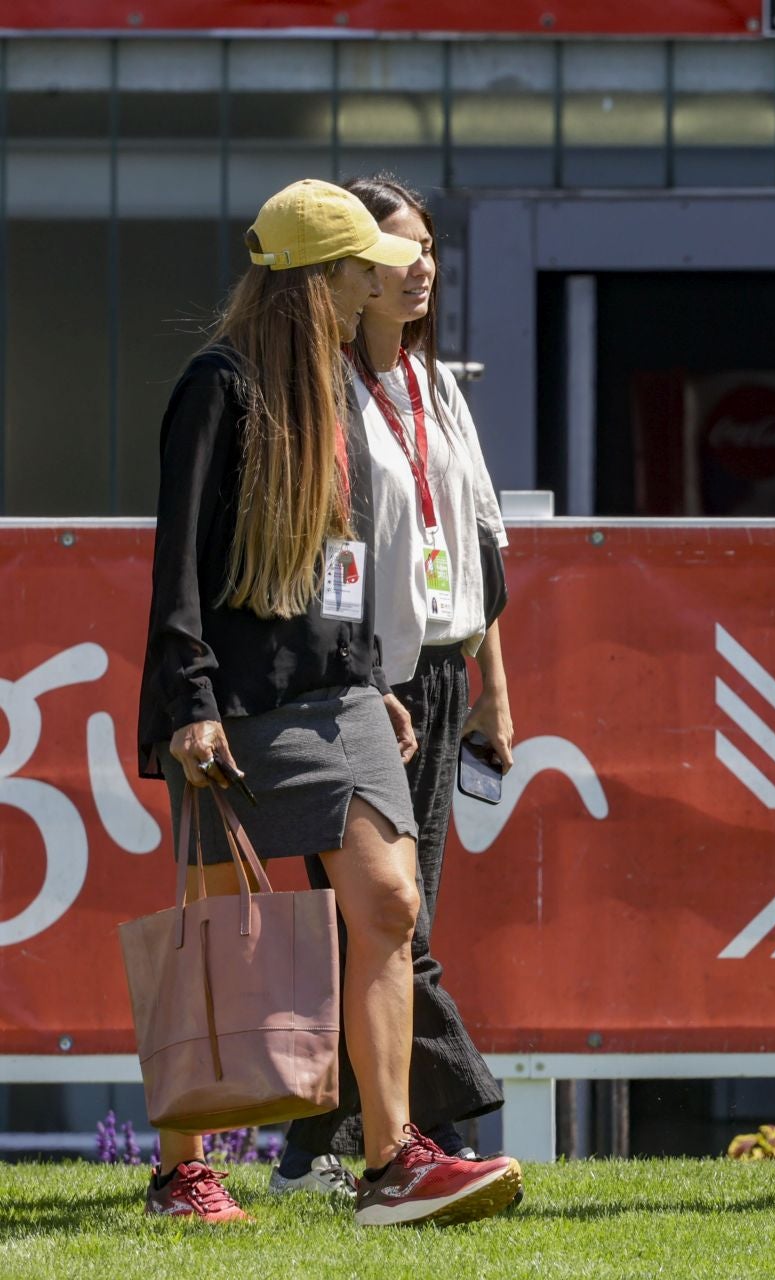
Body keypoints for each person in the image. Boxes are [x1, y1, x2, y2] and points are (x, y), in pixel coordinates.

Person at [135, 178, 522, 1227]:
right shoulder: (217, 384)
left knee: (391, 902)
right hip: (235, 702)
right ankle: (180, 1169)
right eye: (360, 267)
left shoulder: (334, 384)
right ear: (316, 278)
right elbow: (177, 566)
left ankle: (391, 1158)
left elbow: (339, 559)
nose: (381, 281)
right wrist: (191, 699)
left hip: (338, 693)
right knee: (220, 928)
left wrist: (366, 676)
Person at [270, 172, 514, 1196]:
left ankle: (317, 1150)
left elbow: (482, 551)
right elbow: (327, 553)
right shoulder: (321, 389)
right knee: (382, 918)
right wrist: (358, 675)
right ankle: (444, 1120)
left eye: (426, 248)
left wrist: (494, 688)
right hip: (360, 683)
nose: (417, 267)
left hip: (444, 673)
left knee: (387, 922)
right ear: (350, 276)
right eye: (393, 252)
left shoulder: (437, 384)